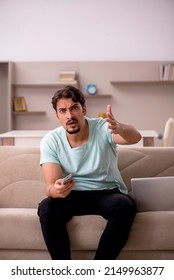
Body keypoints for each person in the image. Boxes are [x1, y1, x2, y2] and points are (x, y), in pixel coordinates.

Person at [38, 85, 142, 260]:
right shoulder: (51, 140)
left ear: (83, 109)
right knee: (46, 206)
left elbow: (135, 137)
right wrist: (55, 190)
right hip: (72, 194)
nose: (69, 116)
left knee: (125, 205)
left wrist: (120, 128)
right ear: (57, 115)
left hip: (106, 193)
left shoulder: (103, 128)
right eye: (63, 111)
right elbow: (50, 185)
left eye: (74, 108)